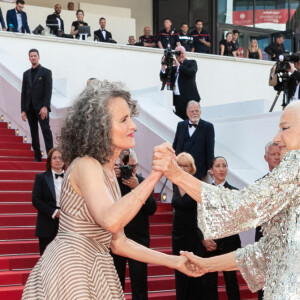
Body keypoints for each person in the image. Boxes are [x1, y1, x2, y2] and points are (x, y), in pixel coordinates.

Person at [21, 80, 195, 300]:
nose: (133, 126)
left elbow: (119, 242)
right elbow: (111, 220)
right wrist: (154, 174)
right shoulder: (86, 164)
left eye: (130, 118)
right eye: (124, 119)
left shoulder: (109, 174)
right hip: (70, 270)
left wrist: (174, 261)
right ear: (100, 127)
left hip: (96, 267)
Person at [152, 101, 300, 300]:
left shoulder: (296, 167)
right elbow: (266, 251)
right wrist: (207, 265)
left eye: (284, 128)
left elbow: (241, 206)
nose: (276, 137)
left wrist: (176, 174)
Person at [112, 149, 157, 300]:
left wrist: (137, 188)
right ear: (119, 165)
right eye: (125, 166)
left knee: (139, 284)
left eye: (132, 166)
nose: (129, 170)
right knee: (115, 285)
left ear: (137, 166)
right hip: (116, 238)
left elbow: (152, 208)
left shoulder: (144, 182)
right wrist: (109, 175)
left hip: (138, 240)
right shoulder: (112, 181)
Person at [203, 156, 241, 300]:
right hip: (210, 244)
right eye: (217, 166)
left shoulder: (234, 192)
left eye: (224, 165)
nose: (221, 169)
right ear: (211, 170)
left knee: (232, 282)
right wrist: (205, 239)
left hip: (230, 244)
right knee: (210, 283)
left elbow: (237, 220)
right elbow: (199, 219)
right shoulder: (205, 191)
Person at [172, 152, 205, 300]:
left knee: (194, 270)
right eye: (180, 165)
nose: (183, 169)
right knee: (179, 270)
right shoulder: (173, 184)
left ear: (191, 168)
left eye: (186, 166)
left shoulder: (196, 183)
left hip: (194, 233)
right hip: (177, 233)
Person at [255, 142, 280, 300]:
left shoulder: (295, 182)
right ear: (266, 158)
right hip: (264, 244)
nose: (277, 157)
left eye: (279, 154)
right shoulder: (259, 185)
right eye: (273, 154)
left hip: (288, 246)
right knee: (264, 289)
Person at [21, 49, 53, 162]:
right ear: (29, 58)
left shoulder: (46, 72)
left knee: (46, 131)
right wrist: (23, 110)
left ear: (38, 57)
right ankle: (37, 156)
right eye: (31, 56)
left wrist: (46, 107)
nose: (33, 58)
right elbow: (24, 92)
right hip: (29, 108)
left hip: (41, 108)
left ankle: (50, 157)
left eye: (35, 56)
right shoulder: (26, 74)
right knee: (33, 132)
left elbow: (48, 91)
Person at [32, 148, 64, 255]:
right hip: (47, 224)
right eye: (54, 158)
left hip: (68, 224)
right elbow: (36, 200)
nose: (57, 160)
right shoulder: (41, 177)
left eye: (60, 158)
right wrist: (55, 212)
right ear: (49, 161)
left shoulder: (71, 177)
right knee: (46, 260)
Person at [173, 101, 214, 180]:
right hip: (180, 169)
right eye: (192, 111)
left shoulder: (208, 127)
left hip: (198, 171)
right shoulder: (181, 125)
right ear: (187, 113)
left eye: (197, 111)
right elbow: (175, 145)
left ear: (200, 112)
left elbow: (210, 150)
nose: (195, 113)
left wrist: (210, 167)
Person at [160, 46, 200, 119]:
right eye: (178, 53)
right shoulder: (174, 68)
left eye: (182, 53)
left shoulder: (191, 62)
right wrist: (163, 65)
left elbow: (191, 72)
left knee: (190, 121)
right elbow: (163, 77)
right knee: (180, 122)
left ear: (185, 53)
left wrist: (179, 65)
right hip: (178, 101)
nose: (181, 55)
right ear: (175, 55)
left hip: (189, 99)